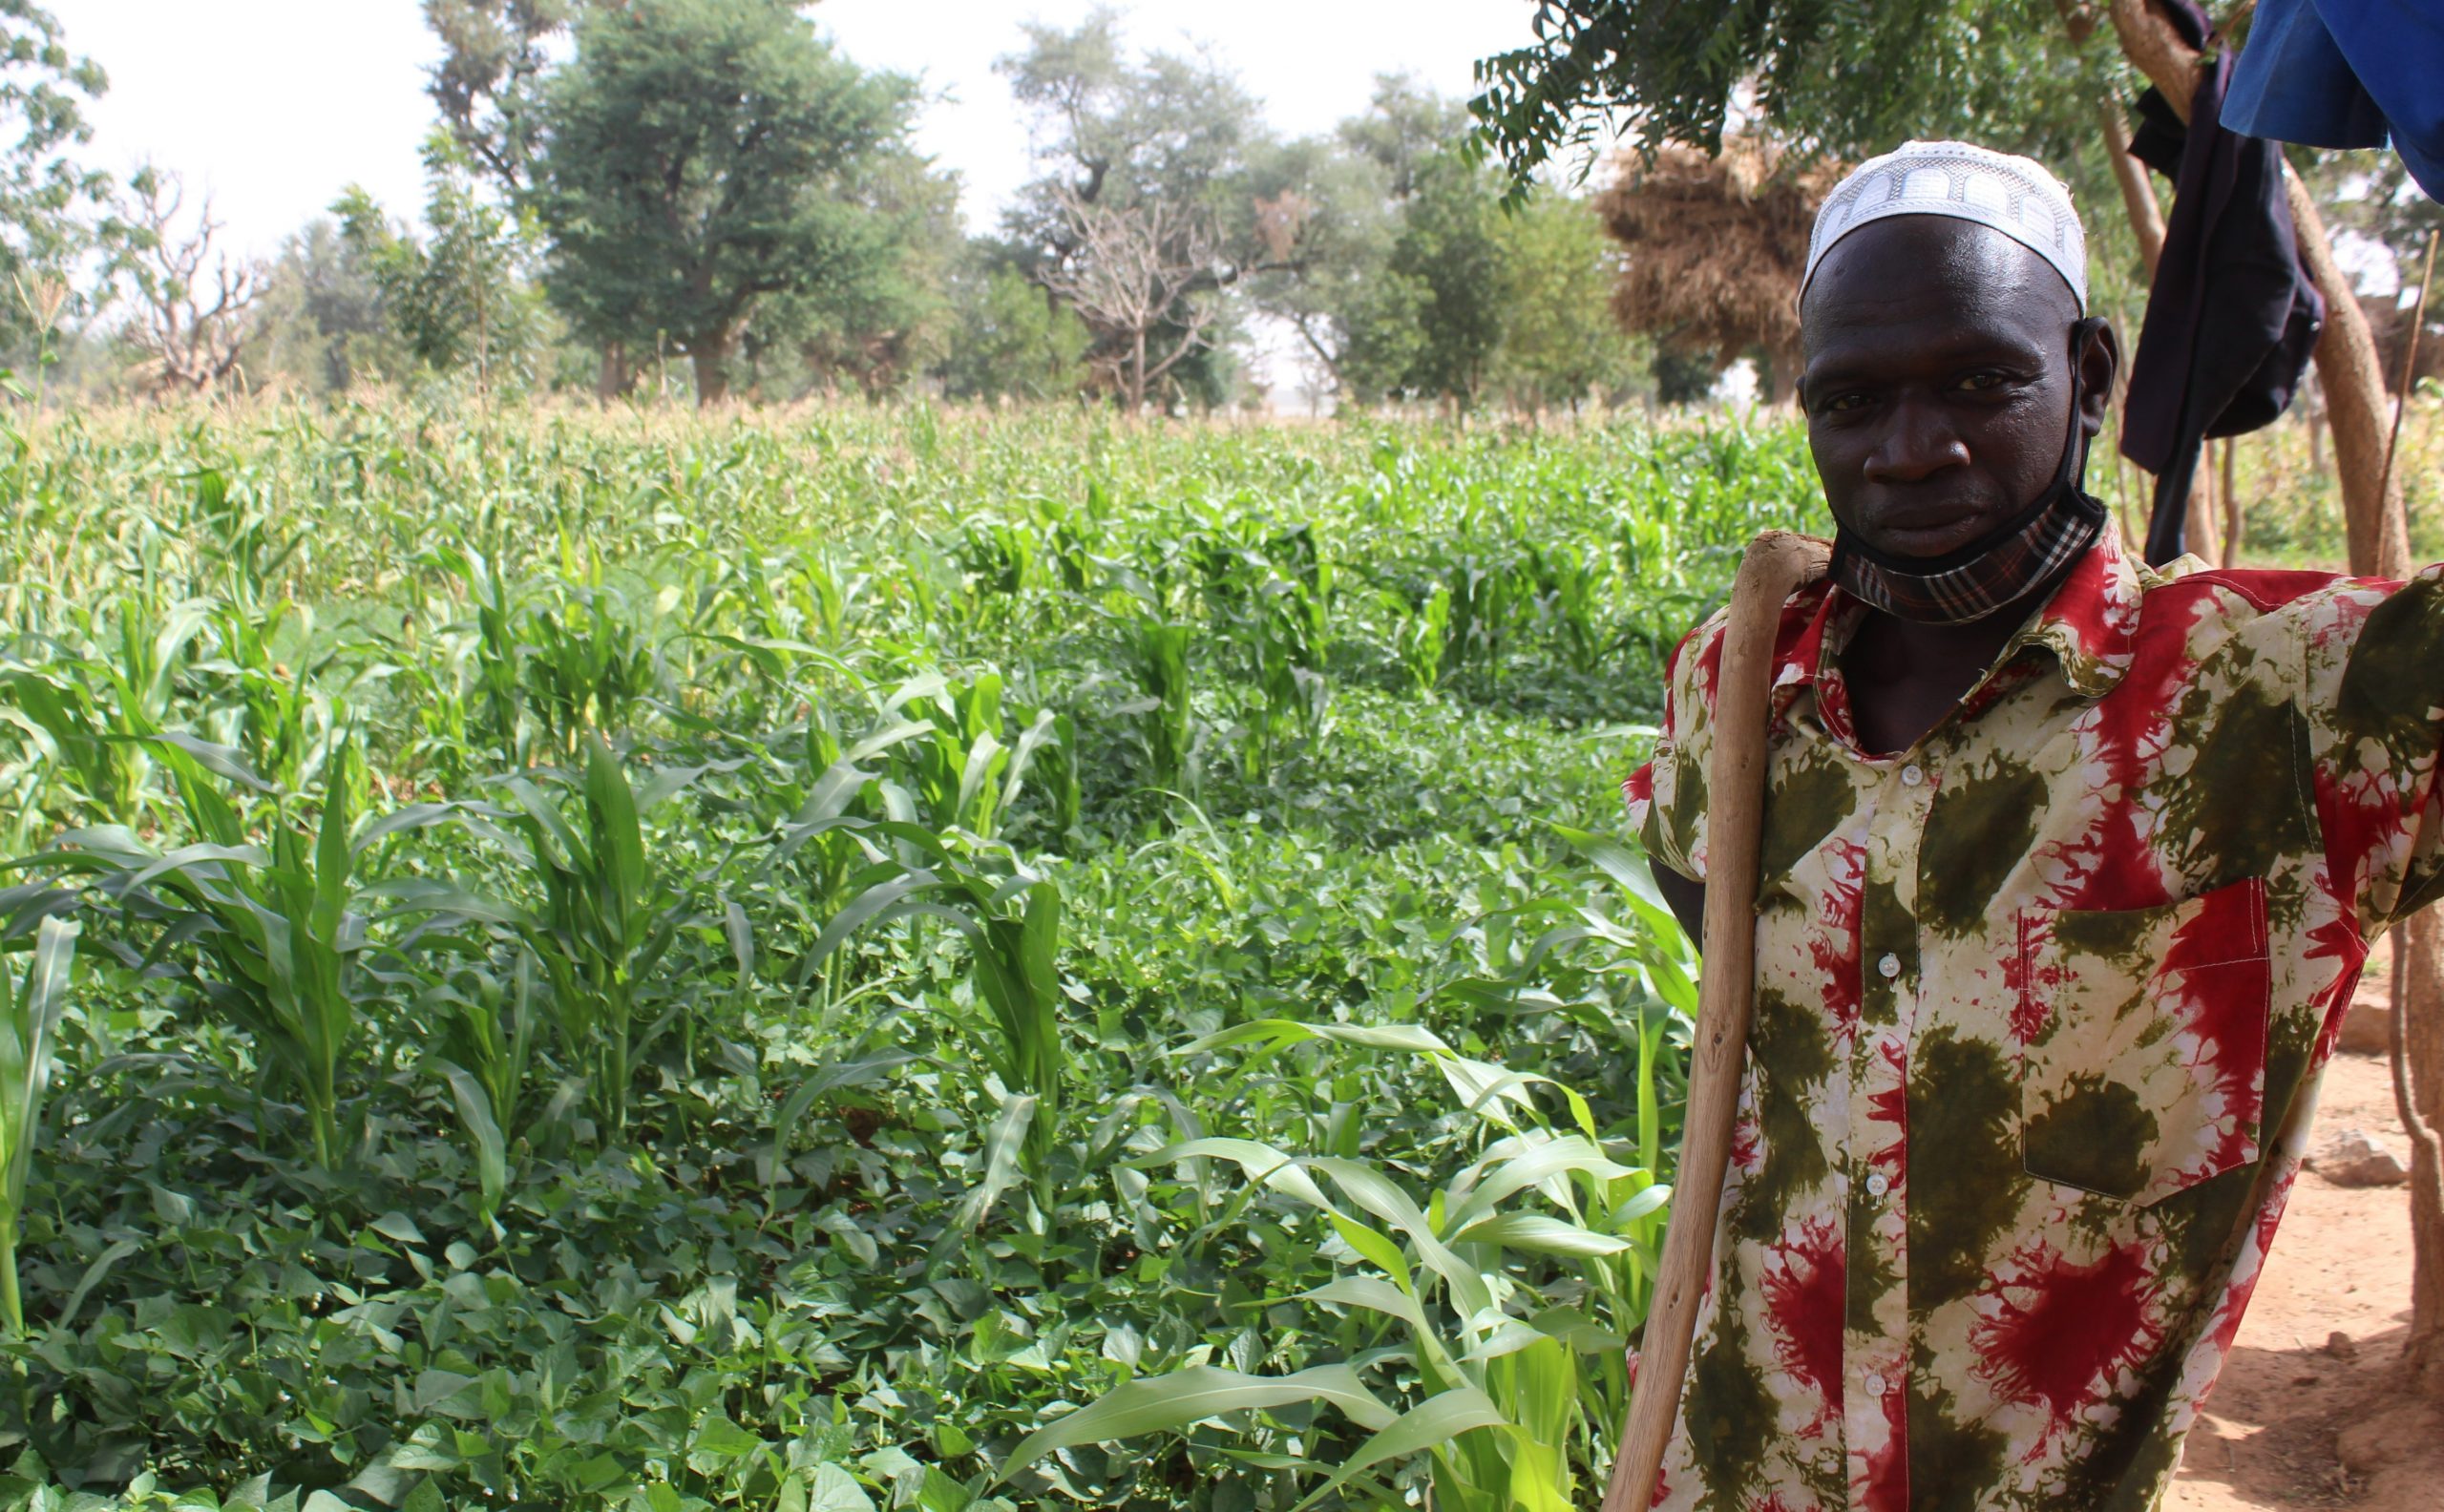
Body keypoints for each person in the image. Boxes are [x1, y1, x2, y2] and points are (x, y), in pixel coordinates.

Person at [1622, 138, 2444, 1512]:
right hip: (1731, 1458)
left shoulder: (2282, 694)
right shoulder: (1739, 681)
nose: (1910, 450)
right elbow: (1738, 1003)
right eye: (1852, 400)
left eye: (1981, 382)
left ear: (2093, 376)